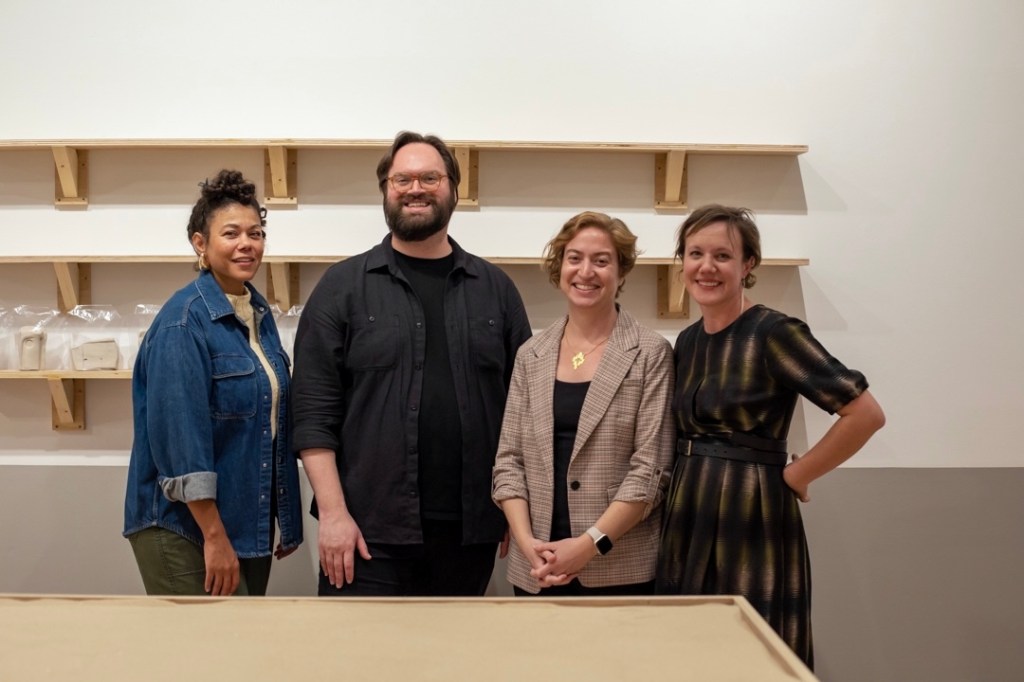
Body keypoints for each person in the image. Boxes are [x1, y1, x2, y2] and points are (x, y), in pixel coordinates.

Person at [291, 131, 532, 596]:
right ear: (385, 190)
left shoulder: (496, 290)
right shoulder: (342, 287)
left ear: (454, 188)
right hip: (365, 534)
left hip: (470, 532)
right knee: (357, 646)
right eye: (402, 179)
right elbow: (312, 413)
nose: (415, 189)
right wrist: (334, 515)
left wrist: (514, 508)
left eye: (429, 178)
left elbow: (523, 415)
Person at [654, 204, 885, 668]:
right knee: (688, 651)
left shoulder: (775, 333)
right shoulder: (688, 341)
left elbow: (864, 414)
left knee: (753, 649)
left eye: (722, 255)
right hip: (688, 508)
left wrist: (799, 474)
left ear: (748, 265)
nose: (706, 266)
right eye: (695, 253)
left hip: (751, 512)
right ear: (682, 263)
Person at [123, 170, 303, 596]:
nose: (247, 243)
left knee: (241, 638)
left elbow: (268, 426)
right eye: (231, 233)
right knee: (207, 641)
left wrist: (284, 518)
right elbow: (180, 441)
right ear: (200, 243)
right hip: (186, 527)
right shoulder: (183, 322)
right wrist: (214, 536)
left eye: (256, 233)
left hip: (242, 523)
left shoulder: (256, 313)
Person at [492, 211, 674, 595]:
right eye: (574, 258)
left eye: (601, 260)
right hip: (537, 567)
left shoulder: (650, 353)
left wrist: (588, 545)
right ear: (560, 268)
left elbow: (650, 473)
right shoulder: (531, 354)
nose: (585, 271)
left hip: (618, 568)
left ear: (621, 272)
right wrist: (527, 544)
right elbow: (508, 462)